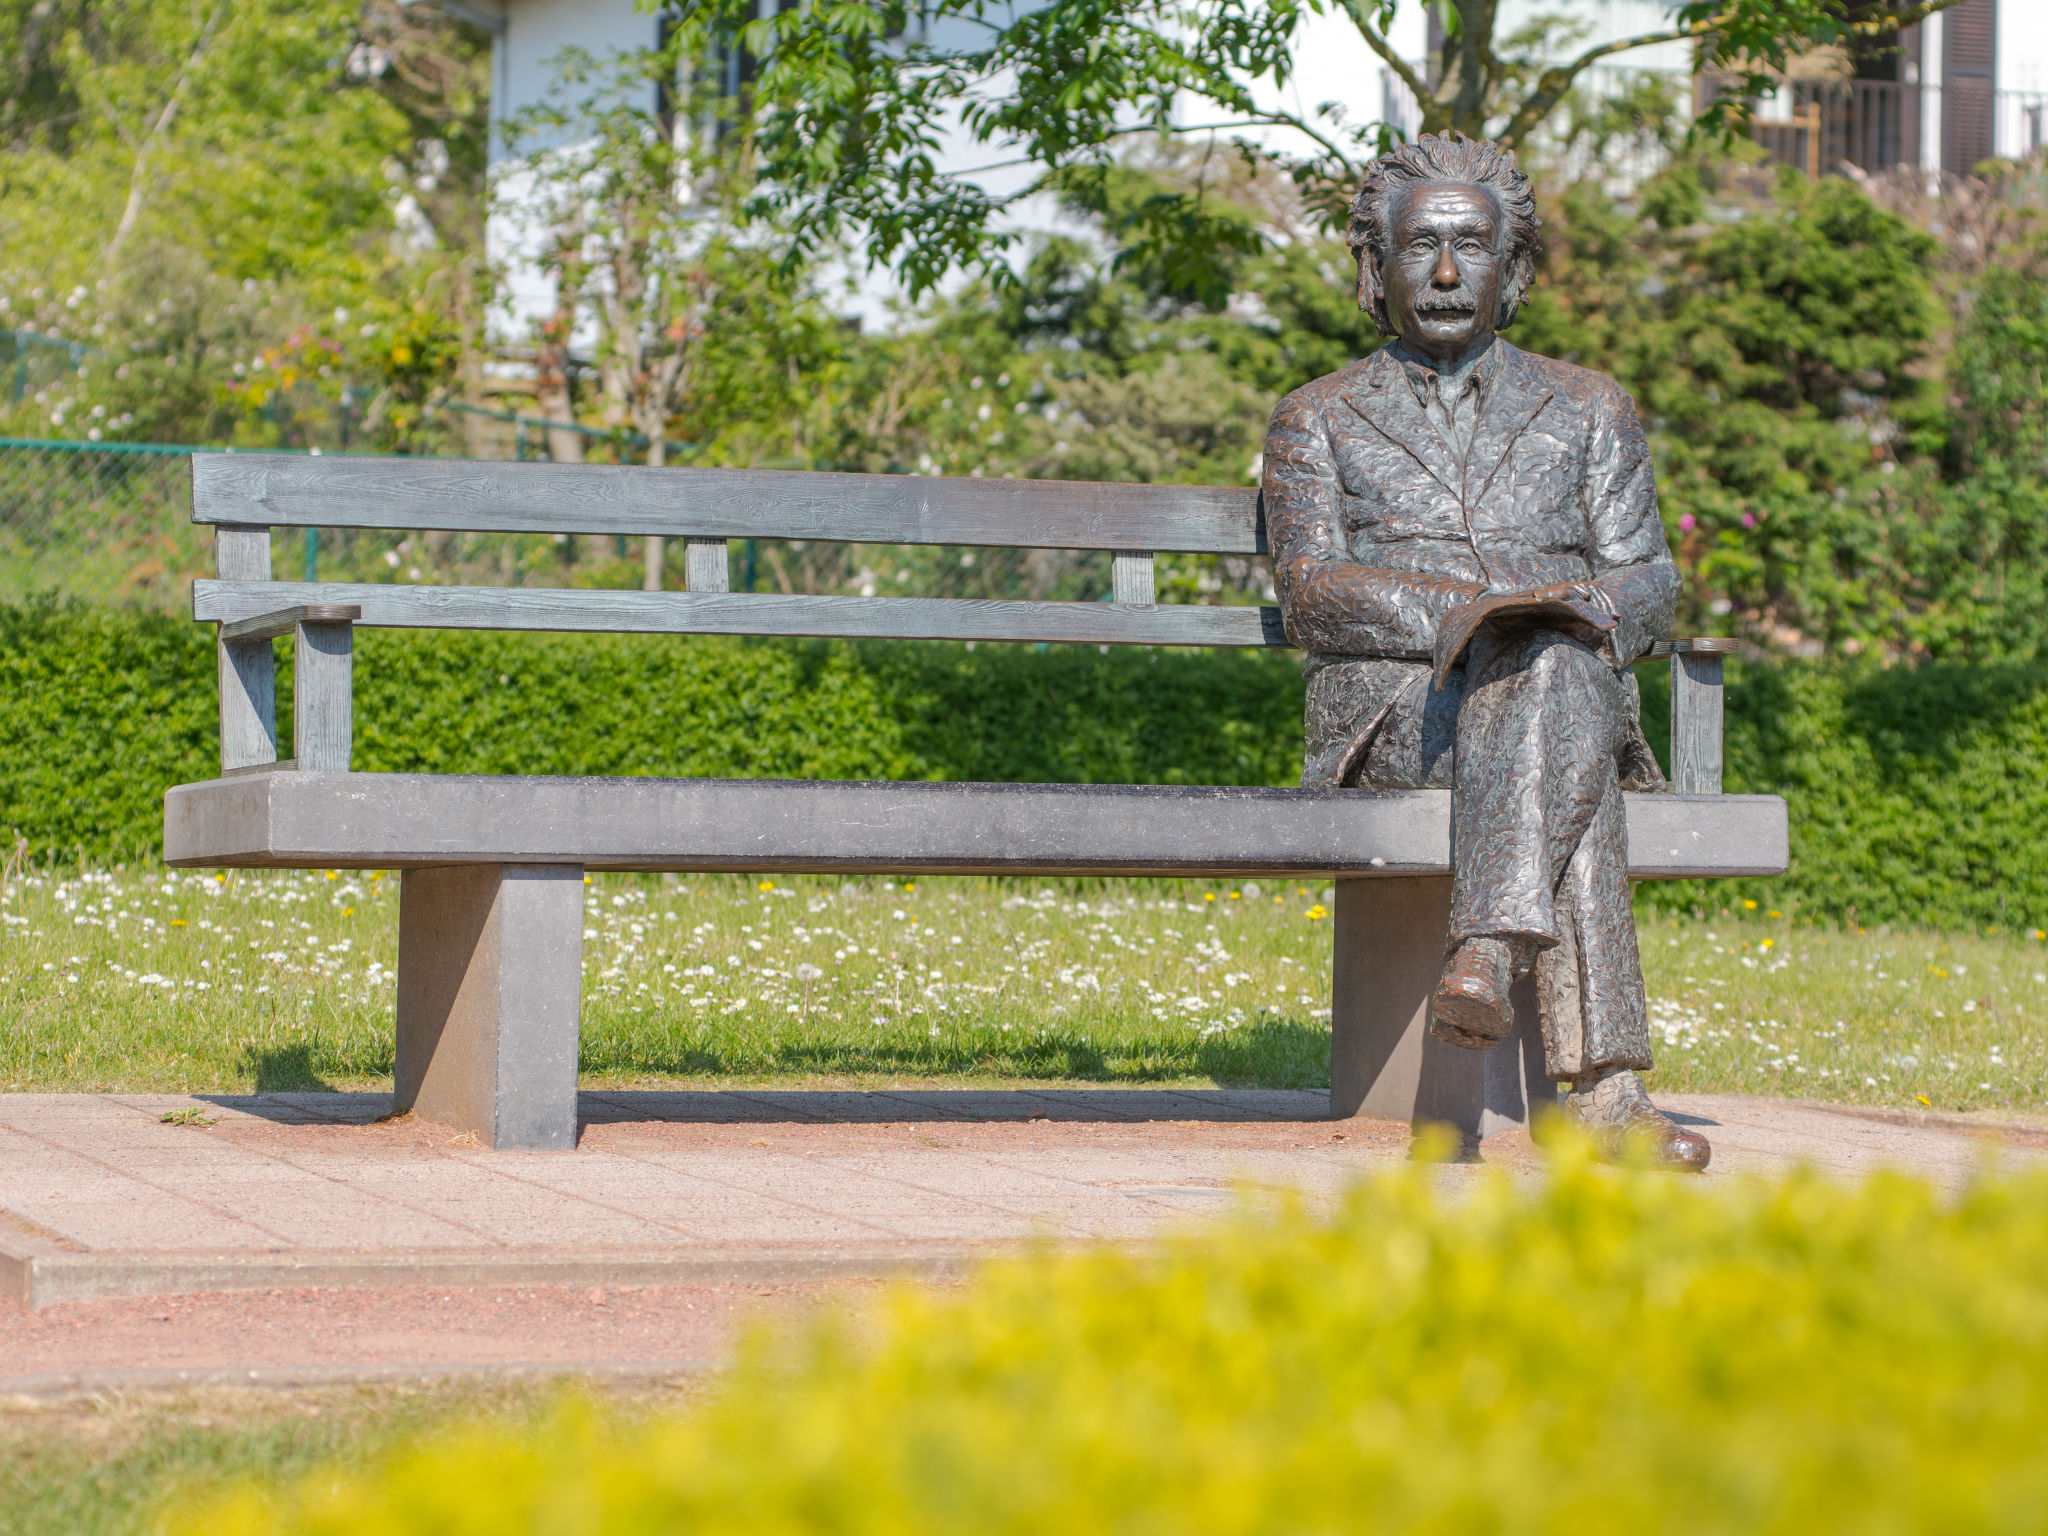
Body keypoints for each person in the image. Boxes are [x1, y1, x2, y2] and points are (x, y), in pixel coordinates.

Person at [1262, 132, 1708, 1170]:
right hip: (1404, 714)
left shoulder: (1590, 405)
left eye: (1474, 246)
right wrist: (1467, 613)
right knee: (1565, 724)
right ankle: (1604, 1101)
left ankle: (1487, 948)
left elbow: (1650, 580)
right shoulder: (1314, 416)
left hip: (1555, 691)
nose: (1450, 273)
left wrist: (1573, 610)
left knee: (1552, 677)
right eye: (1422, 246)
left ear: (1514, 267)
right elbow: (1312, 591)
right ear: (1376, 266)